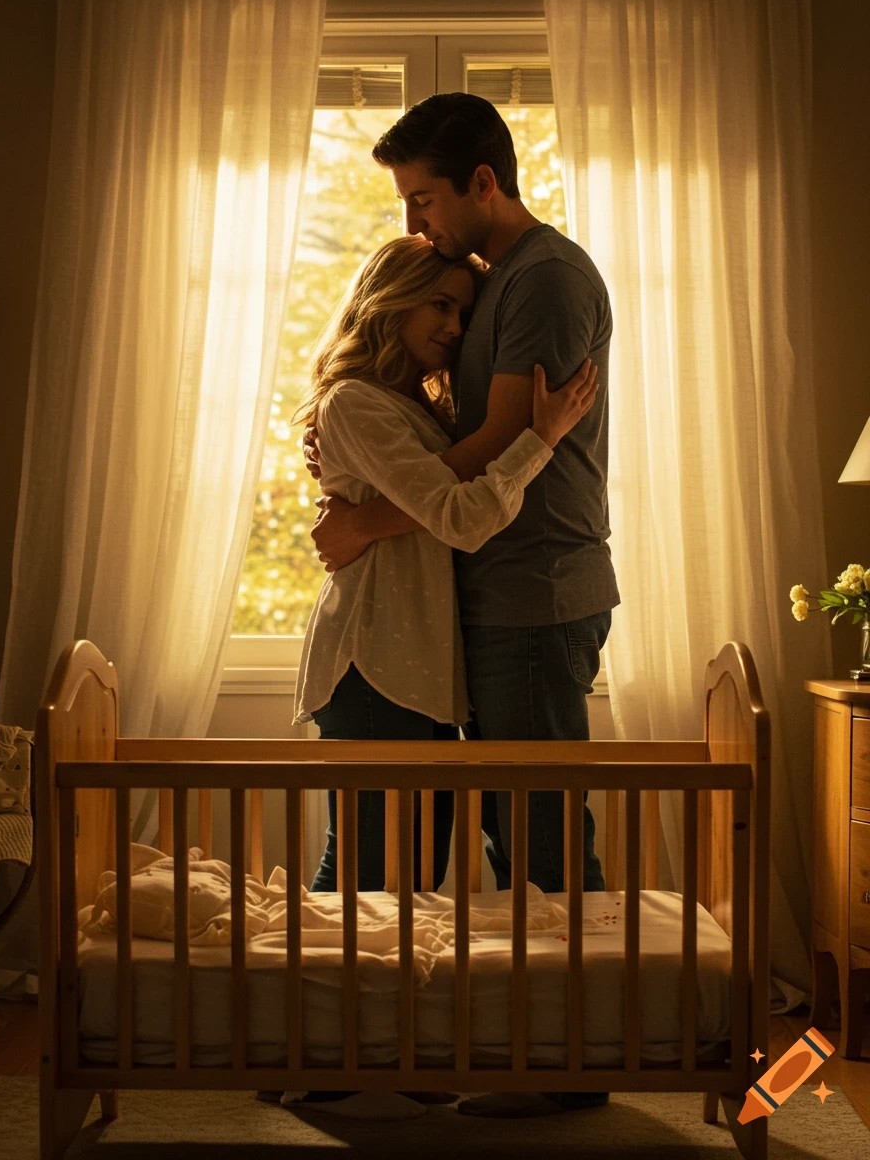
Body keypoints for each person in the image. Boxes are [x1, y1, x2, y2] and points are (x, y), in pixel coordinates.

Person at [306, 93, 619, 1118]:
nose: (416, 222)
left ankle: (564, 1053)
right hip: (485, 595)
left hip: (530, 589)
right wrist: (375, 489)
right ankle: (410, 1039)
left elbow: (492, 440)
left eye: (425, 197)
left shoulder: (540, 278)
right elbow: (439, 465)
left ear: (481, 183)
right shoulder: (492, 282)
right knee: (484, 838)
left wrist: (373, 515)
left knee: (528, 832)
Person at [292, 233, 598, 896]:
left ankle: (359, 995)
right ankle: (297, 990)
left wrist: (364, 523)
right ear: (390, 300)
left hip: (420, 668)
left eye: (463, 314)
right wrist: (539, 439)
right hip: (374, 661)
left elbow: (429, 506)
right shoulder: (353, 402)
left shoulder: (417, 409)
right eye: (439, 306)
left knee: (407, 881)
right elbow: (459, 518)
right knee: (372, 878)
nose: (455, 329)